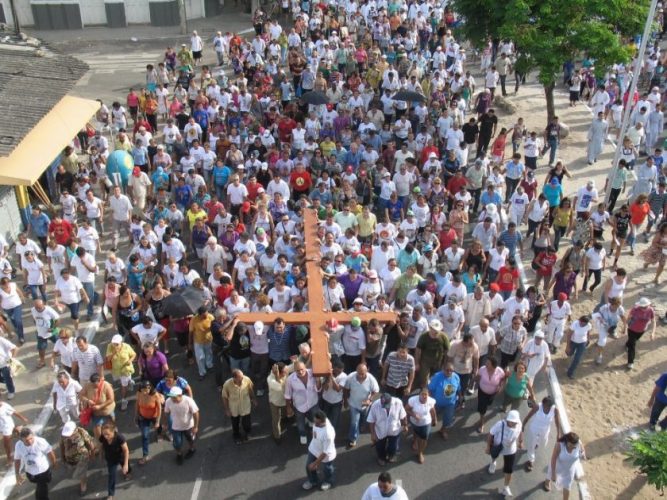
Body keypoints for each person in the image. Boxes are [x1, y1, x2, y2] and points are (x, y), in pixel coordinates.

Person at [486, 410, 523, 498]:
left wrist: (521, 441)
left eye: (515, 422)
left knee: (509, 469)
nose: (513, 423)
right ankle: (493, 462)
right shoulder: (500, 424)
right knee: (494, 455)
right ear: (507, 420)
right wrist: (488, 447)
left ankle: (506, 487)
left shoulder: (519, 424)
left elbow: (521, 431)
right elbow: (490, 434)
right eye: (511, 421)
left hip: (510, 450)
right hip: (498, 446)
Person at [14, 427, 57, 500]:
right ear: (21, 440)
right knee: (40, 486)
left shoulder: (41, 442)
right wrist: (17, 474)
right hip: (30, 472)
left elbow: (50, 452)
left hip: (43, 471)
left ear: (33, 435)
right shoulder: (18, 445)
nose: (30, 442)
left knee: (42, 490)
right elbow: (17, 460)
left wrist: (54, 463)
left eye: (31, 438)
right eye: (27, 440)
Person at [285, 361, 322, 445]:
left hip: (313, 403)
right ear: (294, 370)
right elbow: (287, 395)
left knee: (314, 418)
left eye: (302, 369)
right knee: (300, 422)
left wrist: (318, 380)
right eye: (298, 370)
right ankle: (302, 434)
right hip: (299, 405)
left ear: (305, 367)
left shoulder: (313, 373)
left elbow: (318, 389)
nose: (300, 372)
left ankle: (311, 422)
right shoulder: (290, 379)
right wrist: (288, 407)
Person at [343, 363, 379, 449]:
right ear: (356, 371)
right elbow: (346, 389)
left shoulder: (371, 379)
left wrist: (369, 400)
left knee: (364, 418)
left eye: (363, 374)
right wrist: (345, 401)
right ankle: (353, 438)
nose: (361, 376)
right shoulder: (350, 377)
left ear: (367, 371)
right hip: (353, 404)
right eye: (359, 373)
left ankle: (362, 425)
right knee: (354, 422)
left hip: (365, 405)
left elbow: (376, 390)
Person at [366, 392, 408, 466]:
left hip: (394, 430)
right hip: (380, 431)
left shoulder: (398, 402)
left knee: (394, 446)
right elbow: (371, 421)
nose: (385, 407)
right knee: (380, 447)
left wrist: (405, 425)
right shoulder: (375, 405)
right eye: (383, 405)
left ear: (391, 400)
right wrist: (373, 434)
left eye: (387, 406)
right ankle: (381, 458)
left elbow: (403, 415)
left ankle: (391, 455)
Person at [522, 396, 561, 472]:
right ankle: (530, 460)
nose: (544, 406)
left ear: (551, 405)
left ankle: (536, 443)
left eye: (547, 405)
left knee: (543, 443)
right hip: (534, 428)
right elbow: (528, 416)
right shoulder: (537, 407)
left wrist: (558, 433)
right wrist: (523, 424)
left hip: (545, 430)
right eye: (544, 404)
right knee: (531, 445)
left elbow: (557, 422)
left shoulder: (555, 410)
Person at [164, 386, 199, 465]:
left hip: (188, 426)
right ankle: (179, 454)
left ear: (180, 395)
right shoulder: (168, 401)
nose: (173, 399)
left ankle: (192, 449)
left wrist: (196, 427)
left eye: (174, 397)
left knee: (190, 439)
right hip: (175, 426)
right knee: (177, 443)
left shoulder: (188, 400)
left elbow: (196, 413)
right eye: (171, 397)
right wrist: (165, 423)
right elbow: (166, 412)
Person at [302, 410, 336, 491]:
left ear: (323, 422)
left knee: (327, 469)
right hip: (314, 449)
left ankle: (328, 481)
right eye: (314, 421)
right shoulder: (318, 421)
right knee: (308, 466)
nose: (315, 424)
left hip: (326, 454)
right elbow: (315, 433)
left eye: (317, 423)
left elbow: (324, 452)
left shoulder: (328, 434)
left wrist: (315, 463)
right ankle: (313, 481)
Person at [222, 368, 257, 444]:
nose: (242, 379)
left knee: (247, 422)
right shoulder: (227, 384)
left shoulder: (246, 379)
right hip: (234, 408)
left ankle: (247, 433)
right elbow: (224, 397)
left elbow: (250, 389)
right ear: (234, 378)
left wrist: (253, 399)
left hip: (245, 405)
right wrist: (227, 410)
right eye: (240, 378)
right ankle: (236, 436)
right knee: (235, 423)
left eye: (242, 376)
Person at [59, 421, 95, 496]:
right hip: (70, 459)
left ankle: (83, 485)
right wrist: (63, 457)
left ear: (75, 430)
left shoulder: (82, 432)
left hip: (82, 457)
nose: (68, 436)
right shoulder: (63, 436)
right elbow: (62, 446)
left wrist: (92, 454)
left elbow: (90, 444)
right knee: (75, 471)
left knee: (81, 473)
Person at [546, 432, 586, 496]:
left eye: (574, 447)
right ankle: (547, 482)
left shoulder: (578, 443)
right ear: (567, 441)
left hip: (569, 470)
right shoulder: (559, 445)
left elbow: (582, 449)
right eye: (571, 445)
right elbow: (553, 459)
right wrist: (553, 473)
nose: (573, 448)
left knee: (567, 487)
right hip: (557, 466)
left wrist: (583, 454)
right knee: (550, 476)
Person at [428, 362, 461, 440]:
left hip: (450, 403)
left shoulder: (456, 377)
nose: (449, 372)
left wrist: (460, 398)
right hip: (436, 403)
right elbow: (429, 389)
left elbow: (459, 389)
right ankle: (425, 432)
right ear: (443, 369)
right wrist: (429, 403)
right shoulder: (437, 377)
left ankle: (443, 430)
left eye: (451, 370)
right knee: (430, 417)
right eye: (447, 370)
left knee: (448, 418)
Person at [404, 388, 437, 464]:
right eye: (422, 394)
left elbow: (432, 410)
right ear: (419, 394)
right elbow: (406, 409)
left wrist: (434, 419)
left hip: (426, 423)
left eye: (426, 394)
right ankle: (415, 441)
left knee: (424, 438)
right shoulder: (413, 400)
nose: (424, 396)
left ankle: (420, 453)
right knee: (415, 432)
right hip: (414, 422)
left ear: (428, 395)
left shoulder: (431, 401)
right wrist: (414, 415)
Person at [99, 422, 130, 500]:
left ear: (113, 431)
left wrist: (125, 464)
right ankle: (110, 494)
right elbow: (102, 445)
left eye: (108, 434)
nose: (106, 436)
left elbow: (126, 450)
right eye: (104, 434)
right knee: (111, 476)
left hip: (120, 457)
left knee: (126, 468)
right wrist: (101, 454)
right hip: (110, 459)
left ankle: (127, 473)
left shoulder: (120, 437)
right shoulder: (103, 437)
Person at [105, 334, 136, 411]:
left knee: (123, 386)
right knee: (122, 381)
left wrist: (130, 360)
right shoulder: (110, 346)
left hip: (126, 370)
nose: (115, 345)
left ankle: (124, 400)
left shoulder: (126, 346)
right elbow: (108, 359)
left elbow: (134, 354)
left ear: (121, 342)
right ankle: (130, 381)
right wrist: (113, 353)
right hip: (116, 371)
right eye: (113, 343)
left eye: (117, 344)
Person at [80, 373, 115, 441]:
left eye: (96, 385)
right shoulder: (88, 385)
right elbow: (80, 395)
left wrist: (100, 406)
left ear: (100, 381)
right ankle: (102, 443)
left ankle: (113, 439)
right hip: (96, 412)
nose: (94, 387)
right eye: (93, 385)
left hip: (107, 411)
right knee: (97, 429)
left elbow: (111, 399)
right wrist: (87, 400)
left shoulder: (106, 385)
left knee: (111, 426)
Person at [135, 380, 163, 464]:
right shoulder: (139, 393)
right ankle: (145, 455)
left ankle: (159, 434)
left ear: (150, 388)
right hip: (143, 417)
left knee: (158, 426)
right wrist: (136, 415)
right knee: (144, 435)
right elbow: (137, 404)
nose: (145, 392)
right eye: (143, 390)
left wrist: (158, 421)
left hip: (154, 416)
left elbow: (159, 408)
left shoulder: (155, 395)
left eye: (146, 390)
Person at [475, 357, 505, 433]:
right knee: (482, 408)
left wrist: (500, 387)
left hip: (492, 393)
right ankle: (482, 423)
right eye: (486, 362)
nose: (486, 364)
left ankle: (483, 409)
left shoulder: (500, 371)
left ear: (493, 365)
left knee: (489, 403)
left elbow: (503, 379)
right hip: (482, 391)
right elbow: (478, 377)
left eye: (488, 363)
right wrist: (475, 383)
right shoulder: (482, 369)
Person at [625, 297, 657, 370]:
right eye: (642, 306)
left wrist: (653, 333)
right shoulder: (635, 309)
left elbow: (654, 321)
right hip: (632, 329)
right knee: (632, 346)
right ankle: (630, 362)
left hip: (642, 330)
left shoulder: (651, 310)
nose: (644, 308)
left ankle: (627, 344)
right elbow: (629, 317)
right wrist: (625, 326)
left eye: (645, 306)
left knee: (632, 341)